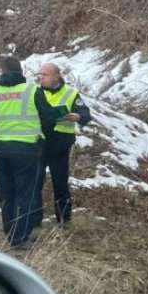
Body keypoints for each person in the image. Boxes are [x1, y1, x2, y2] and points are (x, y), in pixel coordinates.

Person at [0, 56, 68, 249]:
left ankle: (10, 231)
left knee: (6, 192)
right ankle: (20, 239)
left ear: (1, 72)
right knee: (25, 194)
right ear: (21, 72)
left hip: (1, 150)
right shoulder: (32, 92)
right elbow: (49, 118)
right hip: (27, 150)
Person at [34, 62, 90, 228]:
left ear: (56, 76)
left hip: (60, 145)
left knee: (60, 184)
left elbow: (85, 113)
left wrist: (78, 117)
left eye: (45, 74)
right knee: (35, 183)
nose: (41, 78)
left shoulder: (71, 93)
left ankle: (64, 221)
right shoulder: (35, 92)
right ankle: (35, 221)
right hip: (40, 142)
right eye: (40, 74)